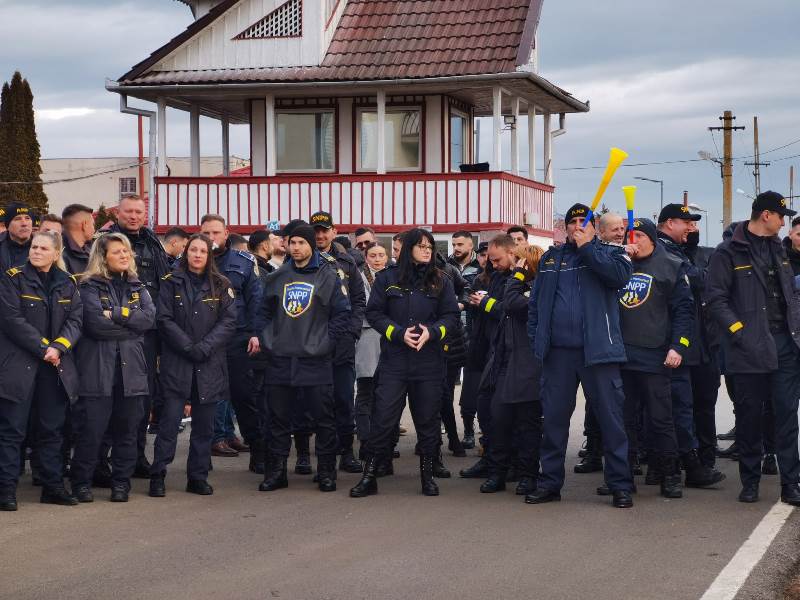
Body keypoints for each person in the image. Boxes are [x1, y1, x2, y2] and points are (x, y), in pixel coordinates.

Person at [525, 203, 634, 508]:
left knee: (611, 421)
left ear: (594, 228)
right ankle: (549, 484)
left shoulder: (611, 253)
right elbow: (536, 304)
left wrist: (587, 248)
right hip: (558, 355)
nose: (577, 227)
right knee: (554, 421)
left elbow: (618, 278)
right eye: (572, 222)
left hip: (598, 353)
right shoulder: (550, 259)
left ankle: (620, 485)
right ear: (564, 227)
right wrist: (536, 338)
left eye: (583, 223)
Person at [705, 191, 800, 505]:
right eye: (781, 216)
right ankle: (750, 482)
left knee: (787, 417)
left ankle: (791, 483)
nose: (784, 223)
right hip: (747, 348)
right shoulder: (727, 252)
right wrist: (739, 332)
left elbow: (788, 295)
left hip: (784, 344)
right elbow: (715, 299)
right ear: (766, 215)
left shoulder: (779, 249)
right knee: (749, 418)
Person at [350, 228, 460, 498]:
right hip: (395, 362)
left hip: (428, 362)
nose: (427, 251)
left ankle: (427, 477)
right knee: (383, 419)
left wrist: (432, 333)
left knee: (428, 421)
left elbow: (451, 317)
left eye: (430, 247)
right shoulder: (387, 278)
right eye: (422, 246)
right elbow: (374, 313)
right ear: (409, 248)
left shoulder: (441, 280)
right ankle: (369, 476)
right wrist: (398, 334)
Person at [258, 224, 351, 492]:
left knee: (323, 419)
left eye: (301, 242)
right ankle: (277, 472)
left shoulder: (329, 275)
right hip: (281, 359)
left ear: (311, 245)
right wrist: (268, 340)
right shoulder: (277, 277)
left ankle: (326, 472)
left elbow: (341, 314)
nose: (296, 247)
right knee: (277, 420)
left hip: (315, 360)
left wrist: (325, 342)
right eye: (292, 242)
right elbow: (263, 313)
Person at [149, 234, 237, 497]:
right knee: (169, 425)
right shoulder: (171, 282)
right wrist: (188, 347)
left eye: (202, 251)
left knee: (204, 428)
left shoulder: (221, 284)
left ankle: (197, 477)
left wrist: (205, 347)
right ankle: (158, 475)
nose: (197, 255)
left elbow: (229, 322)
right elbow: (164, 319)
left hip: (209, 364)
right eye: (193, 250)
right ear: (186, 253)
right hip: (178, 362)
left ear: (209, 256)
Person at [70, 233, 156, 503]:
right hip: (97, 372)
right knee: (91, 432)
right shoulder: (88, 287)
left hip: (132, 373)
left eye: (126, 251)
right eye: (117, 251)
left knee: (127, 433)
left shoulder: (138, 287)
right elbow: (95, 325)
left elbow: (149, 319)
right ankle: (81, 483)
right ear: (103, 257)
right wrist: (131, 328)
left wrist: (117, 314)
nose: (124, 255)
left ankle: (121, 484)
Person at [0, 231, 82, 510]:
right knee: (12, 431)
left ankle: (52, 487)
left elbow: (76, 320)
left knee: (52, 430)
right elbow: (11, 320)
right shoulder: (13, 278)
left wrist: (59, 347)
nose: (35, 251)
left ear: (56, 254)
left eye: (43, 248)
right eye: (34, 247)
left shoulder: (68, 282)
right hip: (19, 366)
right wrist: (45, 348)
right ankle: (6, 490)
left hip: (54, 367)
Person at [617, 219, 694, 498]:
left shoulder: (671, 265)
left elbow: (684, 311)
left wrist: (678, 347)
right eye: (630, 235)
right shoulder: (619, 264)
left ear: (651, 238)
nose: (633, 240)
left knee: (661, 418)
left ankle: (670, 474)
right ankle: (623, 476)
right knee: (623, 420)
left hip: (655, 355)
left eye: (639, 235)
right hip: (621, 355)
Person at [657, 203, 725, 487]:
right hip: (676, 344)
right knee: (679, 409)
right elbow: (698, 280)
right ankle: (678, 466)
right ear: (670, 223)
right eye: (687, 223)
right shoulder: (664, 252)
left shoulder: (681, 251)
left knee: (701, 404)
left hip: (700, 343)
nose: (691, 228)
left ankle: (702, 459)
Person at [109, 195, 170, 476]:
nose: (134, 217)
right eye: (128, 212)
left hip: (149, 330)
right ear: (117, 213)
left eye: (138, 212)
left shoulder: (152, 241)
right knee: (115, 395)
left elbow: (163, 282)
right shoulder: (106, 242)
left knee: (143, 395)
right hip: (117, 330)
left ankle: (136, 455)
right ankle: (107, 459)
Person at [480, 242, 545, 497]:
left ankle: (528, 475)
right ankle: (497, 472)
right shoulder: (515, 286)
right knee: (498, 420)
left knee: (527, 425)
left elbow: (511, 303)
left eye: (519, 262)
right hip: (505, 362)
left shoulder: (537, 288)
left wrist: (517, 276)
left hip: (528, 365)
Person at [200, 214, 264, 469]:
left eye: (216, 232)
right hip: (204, 340)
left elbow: (256, 299)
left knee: (244, 397)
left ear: (226, 234)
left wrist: (256, 332)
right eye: (206, 233)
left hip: (237, 338)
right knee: (206, 399)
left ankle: (258, 452)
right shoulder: (193, 259)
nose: (211, 237)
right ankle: (202, 459)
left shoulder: (244, 261)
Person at [311, 211, 367, 474]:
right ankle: (318, 454)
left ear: (334, 232)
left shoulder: (346, 262)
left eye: (325, 230)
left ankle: (346, 452)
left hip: (342, 341)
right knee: (315, 400)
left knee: (344, 399)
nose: (320, 235)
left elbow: (358, 300)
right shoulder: (300, 259)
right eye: (316, 231)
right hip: (311, 342)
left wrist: (353, 331)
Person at [355, 243, 388, 460]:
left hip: (388, 336)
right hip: (366, 336)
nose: (377, 259)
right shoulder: (359, 277)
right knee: (365, 391)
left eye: (381, 255)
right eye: (373, 255)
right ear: (366, 258)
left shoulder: (393, 277)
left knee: (384, 394)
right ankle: (365, 441)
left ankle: (383, 442)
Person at [61, 204, 96, 276]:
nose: (94, 229)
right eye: (93, 224)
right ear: (84, 225)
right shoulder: (60, 255)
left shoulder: (92, 249)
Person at [0, 203, 34, 271]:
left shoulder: (44, 246)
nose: (24, 223)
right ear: (7, 226)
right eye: (17, 219)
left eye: (27, 218)